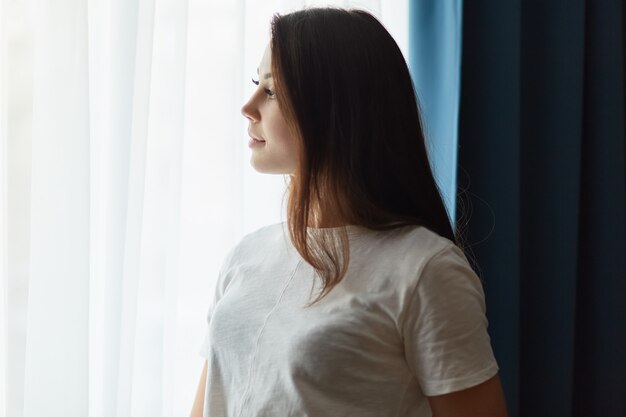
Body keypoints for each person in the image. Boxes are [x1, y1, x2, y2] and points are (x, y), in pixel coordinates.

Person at [190, 7, 507, 417]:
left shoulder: (424, 270)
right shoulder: (245, 257)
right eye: (256, 83)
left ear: (332, 107)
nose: (248, 107)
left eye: (270, 90)